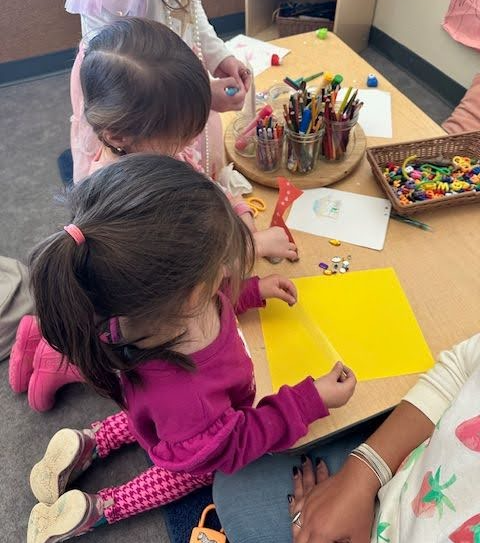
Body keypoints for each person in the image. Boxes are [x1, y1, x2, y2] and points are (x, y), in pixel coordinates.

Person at [26, 154, 356, 542]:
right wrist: (307, 400)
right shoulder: (193, 398)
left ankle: (93, 438)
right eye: (225, 266)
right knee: (184, 473)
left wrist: (251, 291)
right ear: (194, 292)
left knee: (151, 421)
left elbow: (213, 299)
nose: (231, 272)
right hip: (195, 440)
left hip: (162, 414)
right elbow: (234, 443)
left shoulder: (138, 305)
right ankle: (103, 507)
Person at [8, 18, 297, 412]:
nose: (188, 144)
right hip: (135, 313)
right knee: (130, 357)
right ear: (119, 135)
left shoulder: (141, 154)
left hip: (121, 302)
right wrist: (250, 245)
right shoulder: (137, 201)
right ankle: (55, 361)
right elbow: (188, 272)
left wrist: (237, 208)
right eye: (178, 135)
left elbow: (197, 181)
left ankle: (39, 340)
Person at [213, 333, 480, 543]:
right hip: (400, 470)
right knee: (239, 476)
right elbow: (461, 367)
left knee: (238, 476)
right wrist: (362, 472)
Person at [65, 0, 252, 181]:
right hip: (143, 96)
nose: (189, 142)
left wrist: (219, 57)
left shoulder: (176, 147)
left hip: (173, 92)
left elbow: (190, 11)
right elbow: (116, 74)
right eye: (185, 138)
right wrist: (200, 97)